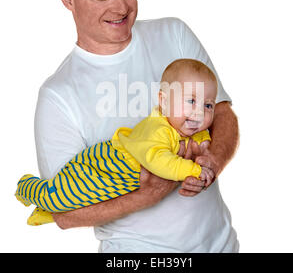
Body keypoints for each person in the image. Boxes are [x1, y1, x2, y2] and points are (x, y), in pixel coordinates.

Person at [33, 0, 239, 252]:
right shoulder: (58, 95)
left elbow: (222, 111)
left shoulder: (174, 35)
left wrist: (212, 163)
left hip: (221, 246)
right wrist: (149, 194)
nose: (121, 7)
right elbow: (63, 212)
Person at [16, 59, 216, 226]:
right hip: (105, 166)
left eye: (208, 105)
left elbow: (198, 133)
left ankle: (48, 213)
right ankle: (27, 187)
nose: (200, 113)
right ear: (164, 102)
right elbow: (159, 161)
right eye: (191, 101)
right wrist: (193, 170)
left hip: (121, 183)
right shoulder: (158, 129)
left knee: (87, 202)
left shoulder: (183, 125)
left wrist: (203, 139)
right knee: (60, 196)